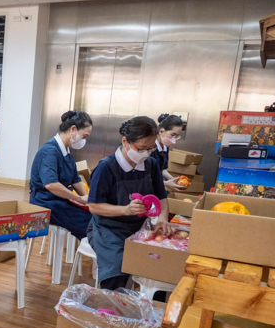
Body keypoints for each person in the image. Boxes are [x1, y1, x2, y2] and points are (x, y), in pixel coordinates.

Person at [87, 116, 175, 290]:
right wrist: (125, 210)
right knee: (118, 265)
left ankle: (151, 305)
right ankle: (110, 306)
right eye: (142, 148)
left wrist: (163, 219)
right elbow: (94, 206)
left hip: (140, 227)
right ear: (125, 141)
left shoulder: (151, 165)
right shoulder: (106, 168)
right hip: (108, 228)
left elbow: (161, 197)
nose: (146, 154)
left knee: (161, 259)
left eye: (150, 149)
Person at [29, 110, 93, 240]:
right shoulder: (50, 151)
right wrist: (79, 199)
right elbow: (51, 184)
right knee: (90, 221)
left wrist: (87, 198)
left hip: (59, 199)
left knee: (94, 214)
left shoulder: (67, 150)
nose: (84, 140)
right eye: (84, 136)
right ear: (73, 129)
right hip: (45, 202)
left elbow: (75, 178)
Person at [150, 113, 186, 192]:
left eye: (176, 136)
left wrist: (172, 178)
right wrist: (165, 184)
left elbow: (161, 169)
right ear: (161, 131)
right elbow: (145, 178)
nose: (174, 139)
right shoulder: (150, 148)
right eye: (172, 135)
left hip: (157, 186)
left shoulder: (165, 147)